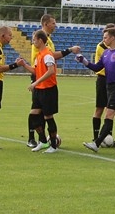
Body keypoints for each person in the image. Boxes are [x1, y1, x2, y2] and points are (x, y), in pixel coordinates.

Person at [25, 14, 80, 148]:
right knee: (37, 112)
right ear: (46, 24)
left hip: (44, 82)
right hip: (39, 79)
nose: (55, 26)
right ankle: (37, 139)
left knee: (44, 113)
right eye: (53, 23)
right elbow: (51, 57)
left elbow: (50, 62)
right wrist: (70, 50)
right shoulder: (41, 40)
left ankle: (46, 142)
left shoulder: (46, 42)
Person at [19, 30, 61, 153]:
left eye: (34, 39)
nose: (33, 42)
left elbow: (51, 71)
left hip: (48, 89)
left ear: (40, 40)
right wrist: (24, 65)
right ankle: (43, 141)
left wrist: (36, 82)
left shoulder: (48, 54)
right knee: (33, 115)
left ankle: (53, 145)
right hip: (39, 90)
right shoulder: (39, 55)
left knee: (48, 116)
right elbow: (36, 71)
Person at [90, 26, 115, 148]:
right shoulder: (102, 47)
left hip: (113, 81)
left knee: (112, 111)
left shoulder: (114, 47)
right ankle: (96, 138)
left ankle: (108, 138)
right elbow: (107, 64)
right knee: (100, 109)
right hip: (103, 80)